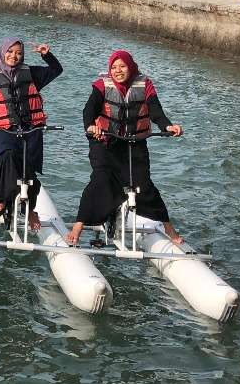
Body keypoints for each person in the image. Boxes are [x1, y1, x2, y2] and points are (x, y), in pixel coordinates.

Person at [64, 50, 183, 247]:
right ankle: (78, 226)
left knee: (143, 185)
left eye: (122, 66)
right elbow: (89, 110)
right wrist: (90, 126)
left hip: (134, 142)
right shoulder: (102, 85)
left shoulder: (145, 84)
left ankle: (169, 228)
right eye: (114, 67)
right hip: (105, 141)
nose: (118, 71)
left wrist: (167, 126)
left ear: (131, 66)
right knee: (100, 180)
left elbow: (156, 111)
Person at [0, 38, 62, 229]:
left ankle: (30, 210)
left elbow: (56, 70)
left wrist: (46, 55)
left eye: (18, 52)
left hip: (30, 131)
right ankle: (1, 199)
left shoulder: (31, 74)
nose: (14, 56)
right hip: (4, 132)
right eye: (10, 52)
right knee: (6, 159)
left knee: (29, 172)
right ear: (2, 53)